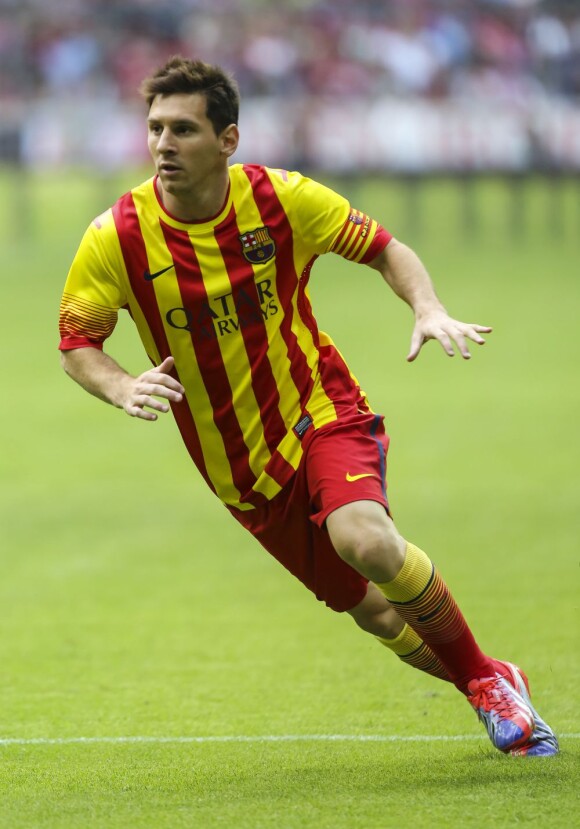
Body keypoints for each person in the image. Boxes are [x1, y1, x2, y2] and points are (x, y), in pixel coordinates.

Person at [58, 55, 557, 757]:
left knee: (366, 538)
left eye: (183, 129)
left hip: (318, 407)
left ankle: (485, 684)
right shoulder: (117, 236)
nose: (164, 144)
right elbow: (79, 339)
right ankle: (492, 676)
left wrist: (428, 307)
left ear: (228, 139)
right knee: (379, 616)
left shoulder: (281, 198)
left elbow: (384, 247)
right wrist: (121, 385)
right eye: (155, 128)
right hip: (241, 470)